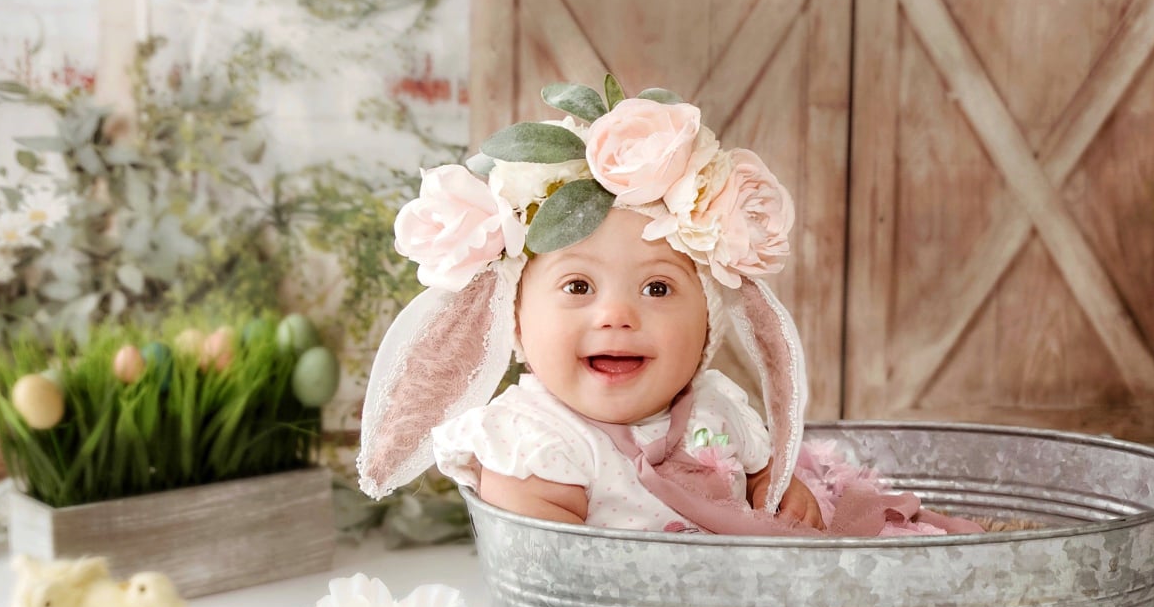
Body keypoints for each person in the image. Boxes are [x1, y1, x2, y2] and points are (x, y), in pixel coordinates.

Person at [356, 81, 978, 538]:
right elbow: (557, 572)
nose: (617, 315)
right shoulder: (536, 440)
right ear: (514, 320)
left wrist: (778, 496)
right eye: (578, 287)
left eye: (657, 289)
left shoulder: (715, 404)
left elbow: (758, 485)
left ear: (708, 323)